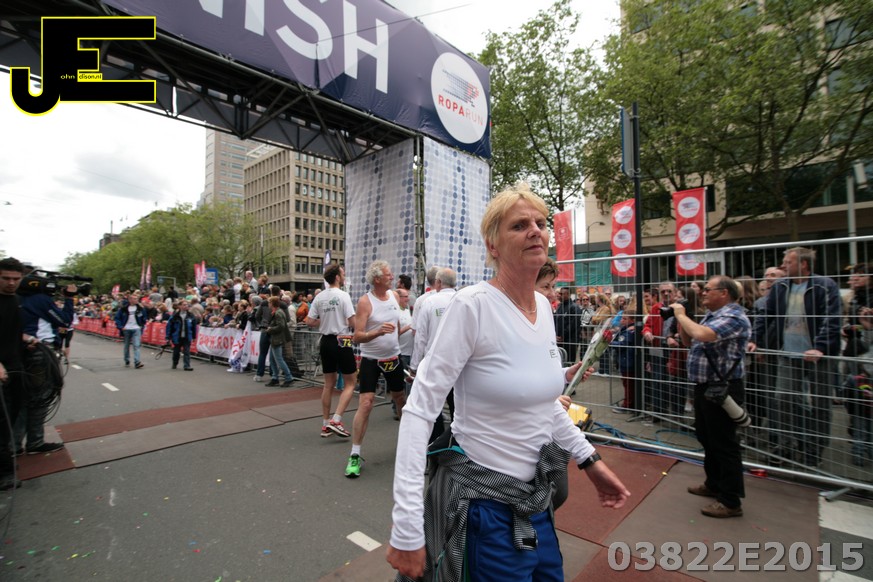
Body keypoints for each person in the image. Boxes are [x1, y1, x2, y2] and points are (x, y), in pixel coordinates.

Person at [387, 186, 630, 581]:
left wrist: (590, 460)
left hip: (537, 502)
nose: (535, 230)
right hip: (484, 510)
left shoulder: (545, 308)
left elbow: (544, 404)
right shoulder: (472, 305)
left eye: (541, 223)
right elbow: (419, 411)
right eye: (519, 225)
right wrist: (407, 526)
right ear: (493, 246)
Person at [750, 247, 841, 467]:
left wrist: (820, 347)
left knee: (820, 405)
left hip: (820, 357)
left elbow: (831, 318)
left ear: (804, 264)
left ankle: (813, 453)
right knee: (783, 399)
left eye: (788, 262)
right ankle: (786, 447)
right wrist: (755, 339)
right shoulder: (781, 286)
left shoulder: (824, 285)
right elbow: (766, 314)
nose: (783, 265)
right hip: (788, 353)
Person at [672, 275, 751, 518]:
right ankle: (713, 483)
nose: (703, 293)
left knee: (724, 443)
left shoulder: (734, 317)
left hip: (722, 387)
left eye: (708, 289)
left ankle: (730, 500)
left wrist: (681, 315)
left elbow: (703, 335)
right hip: (704, 386)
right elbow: (690, 340)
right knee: (707, 437)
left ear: (724, 293)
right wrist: (682, 323)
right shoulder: (713, 315)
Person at [348, 260, 407, 478]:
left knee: (400, 400)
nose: (392, 277)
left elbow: (396, 324)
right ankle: (355, 454)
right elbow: (357, 336)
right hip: (371, 359)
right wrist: (378, 332)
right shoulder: (365, 301)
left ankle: (407, 446)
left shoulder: (394, 296)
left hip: (393, 357)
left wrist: (394, 340)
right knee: (366, 403)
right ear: (377, 279)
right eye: (388, 274)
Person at [304, 265, 356, 439]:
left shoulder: (319, 296)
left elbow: (309, 321)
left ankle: (325, 424)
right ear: (337, 277)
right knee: (350, 382)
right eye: (343, 274)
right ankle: (336, 420)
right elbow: (352, 322)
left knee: (328, 384)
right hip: (342, 339)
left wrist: (325, 320)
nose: (344, 276)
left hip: (326, 341)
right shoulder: (343, 295)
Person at [0, 258, 32, 490]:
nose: (11, 283)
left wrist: (28, 340)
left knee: (11, 415)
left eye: (15, 279)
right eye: (5, 278)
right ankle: (5, 472)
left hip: (15, 367)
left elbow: (12, 331)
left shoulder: (18, 301)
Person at [265, 296, 294, 387]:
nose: (268, 304)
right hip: (275, 339)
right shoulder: (277, 312)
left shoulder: (278, 313)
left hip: (277, 339)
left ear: (272, 303)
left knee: (278, 359)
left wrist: (270, 329)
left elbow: (281, 326)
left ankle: (289, 377)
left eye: (269, 303)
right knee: (273, 360)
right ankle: (275, 378)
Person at [114, 292, 147, 369]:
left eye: (137, 299)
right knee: (126, 345)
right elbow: (117, 318)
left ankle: (137, 362)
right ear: (130, 300)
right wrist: (121, 327)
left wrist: (141, 325)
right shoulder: (124, 309)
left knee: (136, 345)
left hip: (136, 328)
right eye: (134, 299)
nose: (136, 300)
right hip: (127, 329)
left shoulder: (140, 309)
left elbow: (144, 317)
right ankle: (127, 359)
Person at [165, 299, 199, 371]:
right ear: (179, 306)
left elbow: (194, 327)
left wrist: (194, 336)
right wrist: (168, 337)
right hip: (177, 336)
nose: (186, 306)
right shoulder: (175, 316)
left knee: (187, 351)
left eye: (187, 305)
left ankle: (187, 365)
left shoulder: (191, 315)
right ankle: (175, 363)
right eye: (184, 305)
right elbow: (169, 326)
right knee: (176, 351)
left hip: (187, 336)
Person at [554, 286, 582, 363]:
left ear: (567, 294)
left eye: (561, 294)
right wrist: (556, 335)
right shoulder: (560, 306)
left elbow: (573, 325)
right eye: (559, 293)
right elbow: (556, 321)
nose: (559, 295)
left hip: (570, 341)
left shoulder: (574, 308)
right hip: (559, 340)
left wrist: (562, 336)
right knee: (560, 361)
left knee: (569, 362)